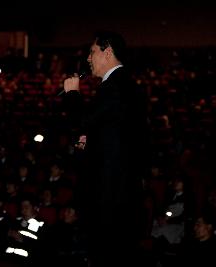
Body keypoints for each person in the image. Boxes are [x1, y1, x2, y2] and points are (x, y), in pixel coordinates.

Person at [63, 30, 150, 267]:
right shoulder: (122, 84)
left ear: (108, 52)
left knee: (106, 255)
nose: (88, 59)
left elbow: (85, 120)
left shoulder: (115, 86)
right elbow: (106, 131)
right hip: (117, 190)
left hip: (110, 193)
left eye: (92, 52)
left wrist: (72, 94)